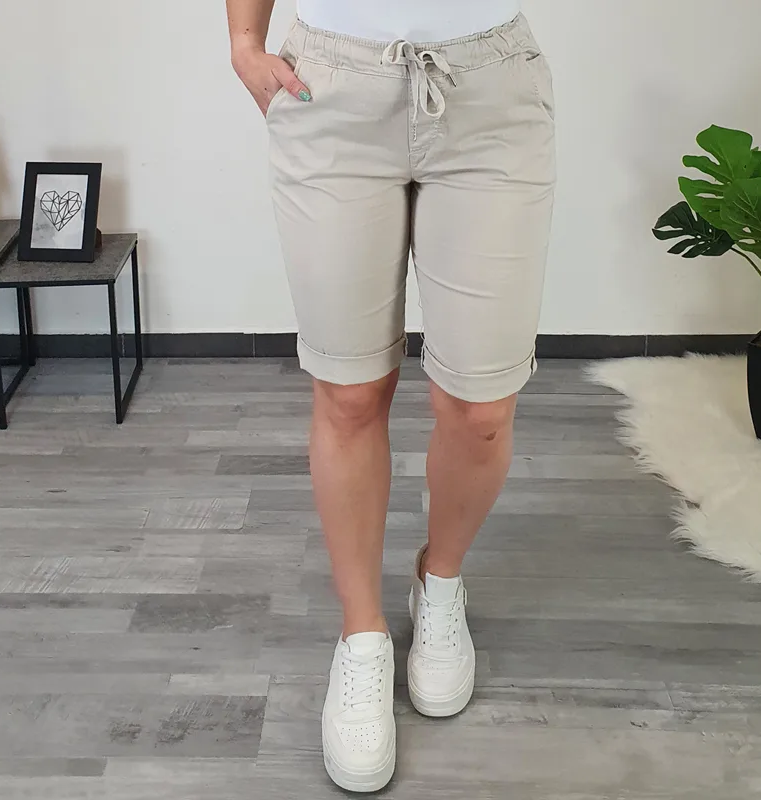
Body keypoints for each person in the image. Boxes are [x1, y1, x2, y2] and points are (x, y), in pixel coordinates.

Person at [226, 0, 556, 791]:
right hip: (330, 87)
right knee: (349, 392)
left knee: (481, 407)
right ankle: (362, 634)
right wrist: (243, 41)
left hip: (490, 88)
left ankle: (438, 581)